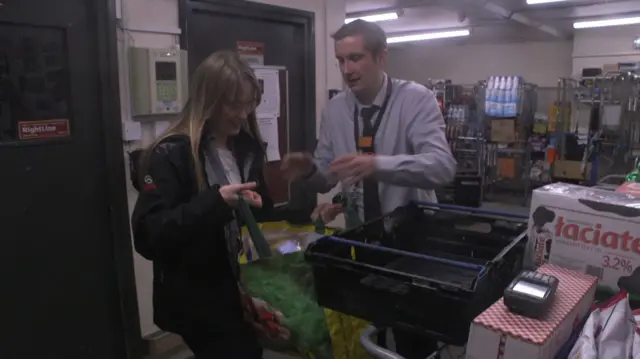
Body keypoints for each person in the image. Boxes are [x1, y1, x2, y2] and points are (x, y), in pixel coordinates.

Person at [281, 20, 457, 359]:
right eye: (341, 61)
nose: (347, 70)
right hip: (363, 241)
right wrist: (308, 170)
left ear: (381, 58)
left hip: (414, 242)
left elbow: (442, 167)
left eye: (356, 58)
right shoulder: (335, 111)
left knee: (414, 338)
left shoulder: (416, 100)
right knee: (371, 331)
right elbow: (328, 176)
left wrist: (379, 165)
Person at [132, 51, 287, 359]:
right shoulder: (171, 154)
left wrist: (276, 198)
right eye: (234, 104)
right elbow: (150, 235)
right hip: (199, 299)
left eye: (249, 104)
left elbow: (261, 219)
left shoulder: (247, 147)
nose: (243, 114)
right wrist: (216, 202)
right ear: (209, 100)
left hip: (244, 291)